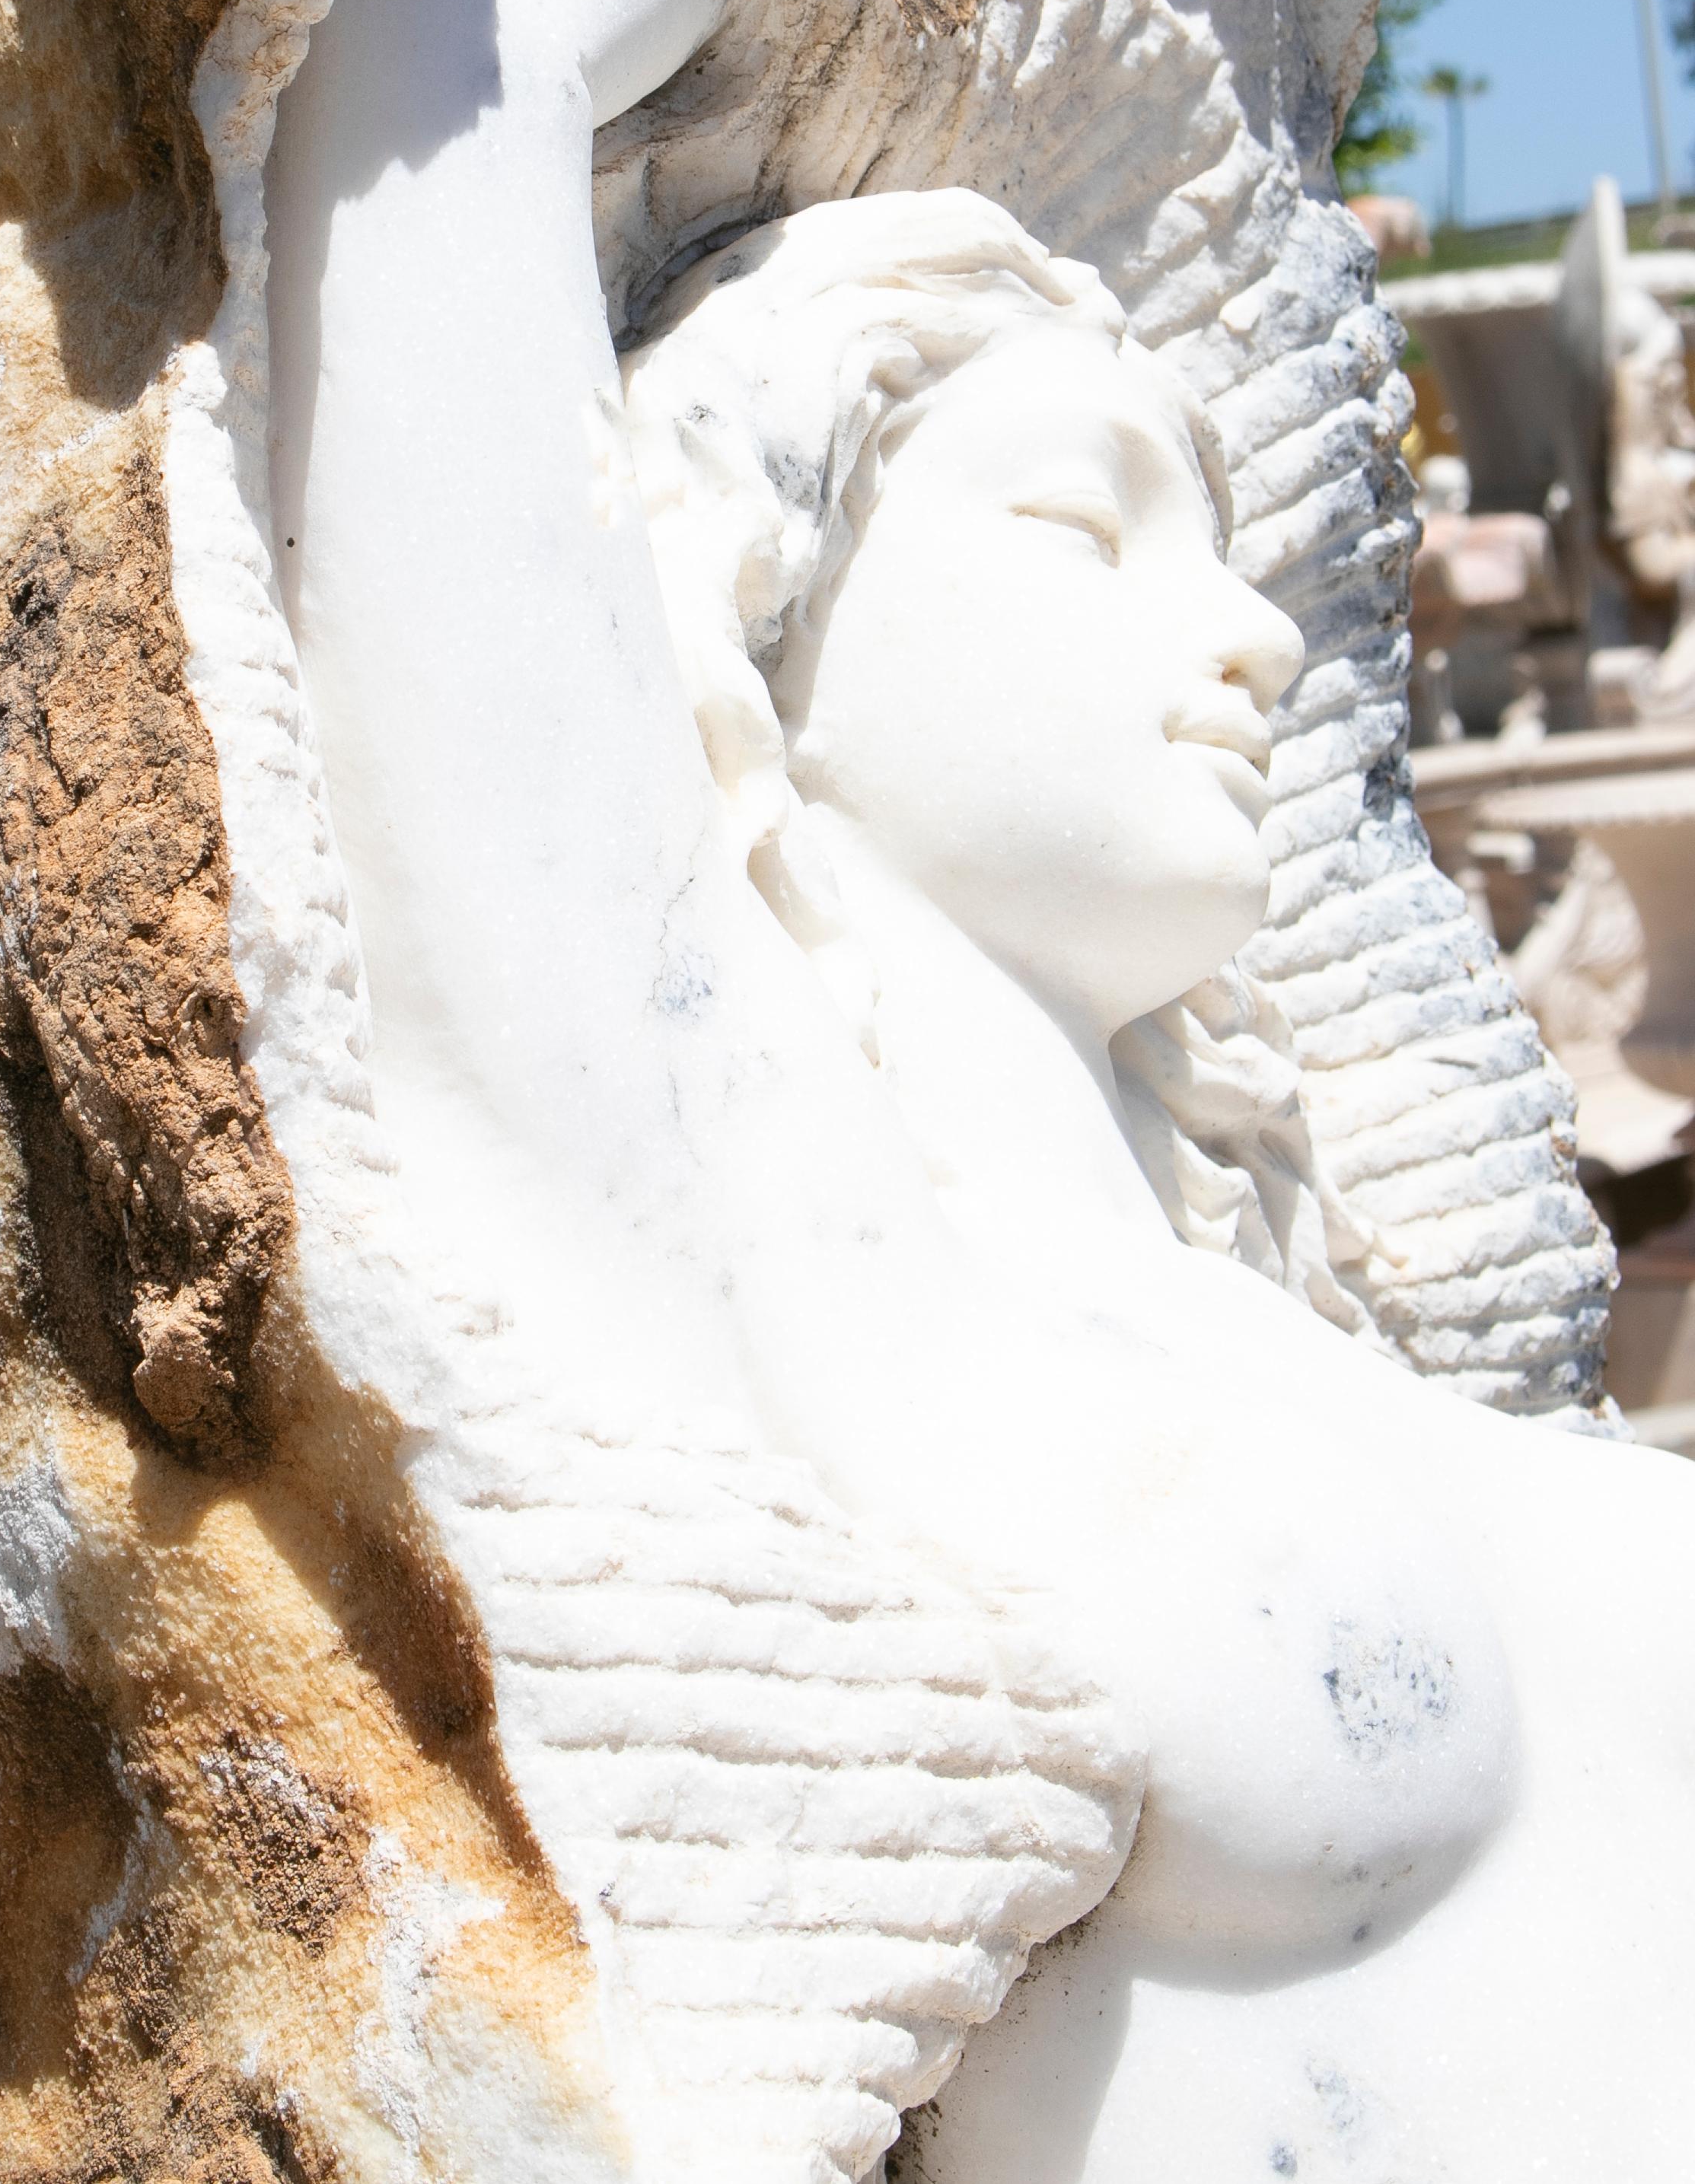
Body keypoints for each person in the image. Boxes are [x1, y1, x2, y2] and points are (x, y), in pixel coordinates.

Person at [622, 190, 1695, 2184]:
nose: (1258, 627)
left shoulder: (1242, 1303)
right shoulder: (786, 1300)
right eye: (1078, 525)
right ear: (742, 592)